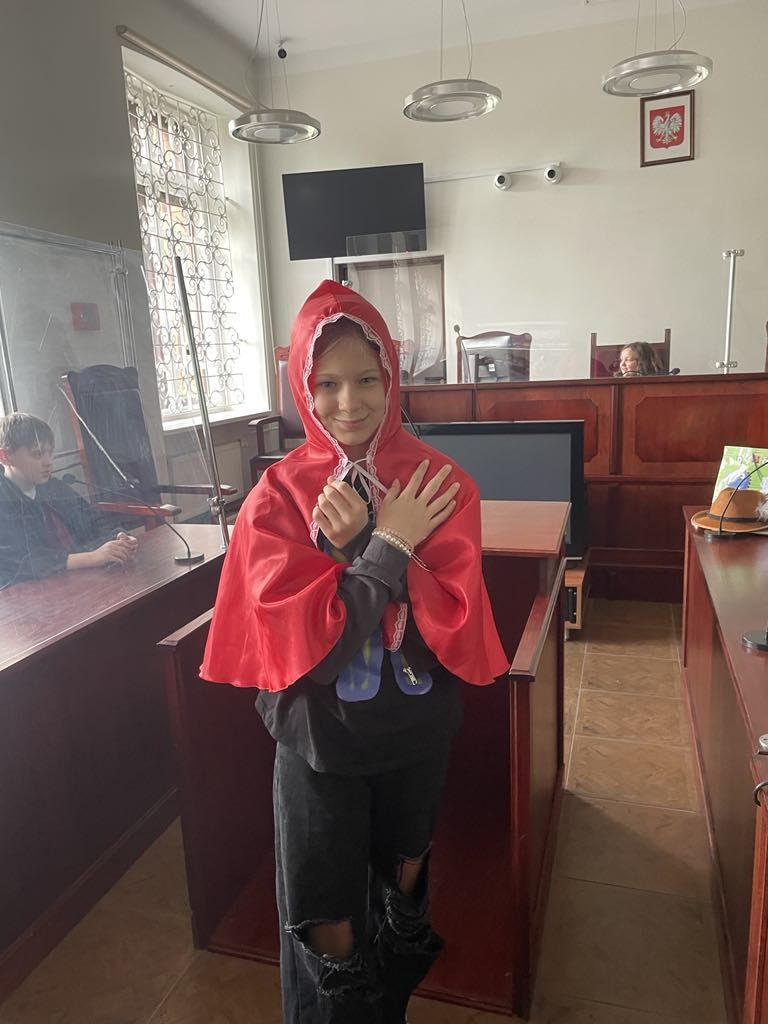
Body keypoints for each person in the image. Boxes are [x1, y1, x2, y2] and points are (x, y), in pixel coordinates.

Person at [201, 280, 509, 1024]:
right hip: (319, 741)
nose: (350, 403)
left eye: (367, 380)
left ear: (392, 378)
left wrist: (364, 548)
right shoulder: (277, 496)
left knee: (403, 892)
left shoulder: (440, 482)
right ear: (303, 391)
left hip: (412, 733)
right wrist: (389, 547)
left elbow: (452, 622)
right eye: (328, 384)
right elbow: (309, 651)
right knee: (324, 922)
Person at [0, 412, 138, 590]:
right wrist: (91, 558)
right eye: (37, 454)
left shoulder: (54, 487)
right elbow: (17, 561)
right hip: (27, 594)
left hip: (77, 580)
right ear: (5, 457)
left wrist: (119, 537)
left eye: (50, 453)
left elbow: (92, 519)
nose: (48, 462)